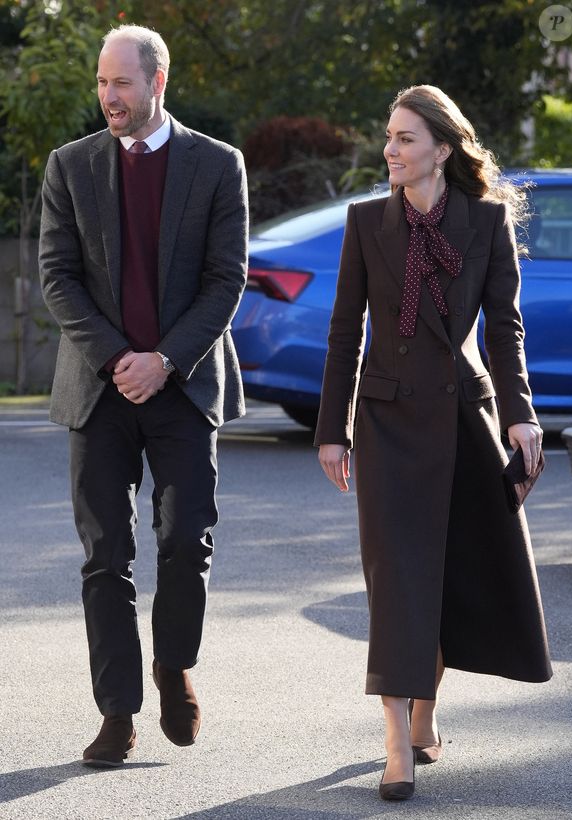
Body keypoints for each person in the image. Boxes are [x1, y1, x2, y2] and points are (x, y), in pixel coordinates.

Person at [315, 85, 552, 801]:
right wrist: (332, 430)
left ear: (442, 150)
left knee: (446, 577)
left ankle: (424, 710)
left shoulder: (485, 221)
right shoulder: (365, 222)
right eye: (389, 136)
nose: (390, 150)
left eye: (405, 138)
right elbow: (344, 332)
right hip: (386, 423)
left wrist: (521, 415)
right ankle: (397, 742)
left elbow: (505, 328)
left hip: (463, 421)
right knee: (397, 581)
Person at [39, 24, 248, 767]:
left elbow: (226, 279)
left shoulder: (217, 164)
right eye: (102, 82)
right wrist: (118, 359)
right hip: (98, 390)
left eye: (121, 82)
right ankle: (117, 711)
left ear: (157, 82)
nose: (108, 96)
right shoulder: (70, 165)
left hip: (183, 387)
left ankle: (173, 664)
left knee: (186, 541)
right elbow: (57, 276)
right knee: (106, 555)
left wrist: (164, 360)